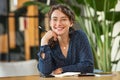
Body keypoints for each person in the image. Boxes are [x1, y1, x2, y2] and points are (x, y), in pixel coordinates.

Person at [37, 4, 94, 76]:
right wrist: (44, 41)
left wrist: (62, 70)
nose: (58, 23)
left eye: (63, 19)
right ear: (50, 23)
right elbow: (45, 71)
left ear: (71, 23)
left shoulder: (79, 36)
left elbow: (88, 66)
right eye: (55, 19)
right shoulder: (47, 44)